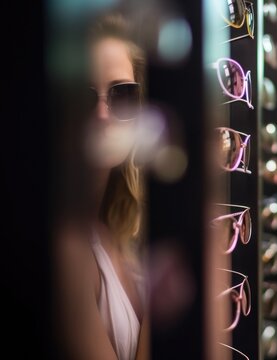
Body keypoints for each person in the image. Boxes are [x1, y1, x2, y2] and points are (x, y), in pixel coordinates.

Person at [57, 14, 149, 360]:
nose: (102, 114)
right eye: (84, 95)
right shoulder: (64, 241)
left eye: (122, 94)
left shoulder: (116, 226)